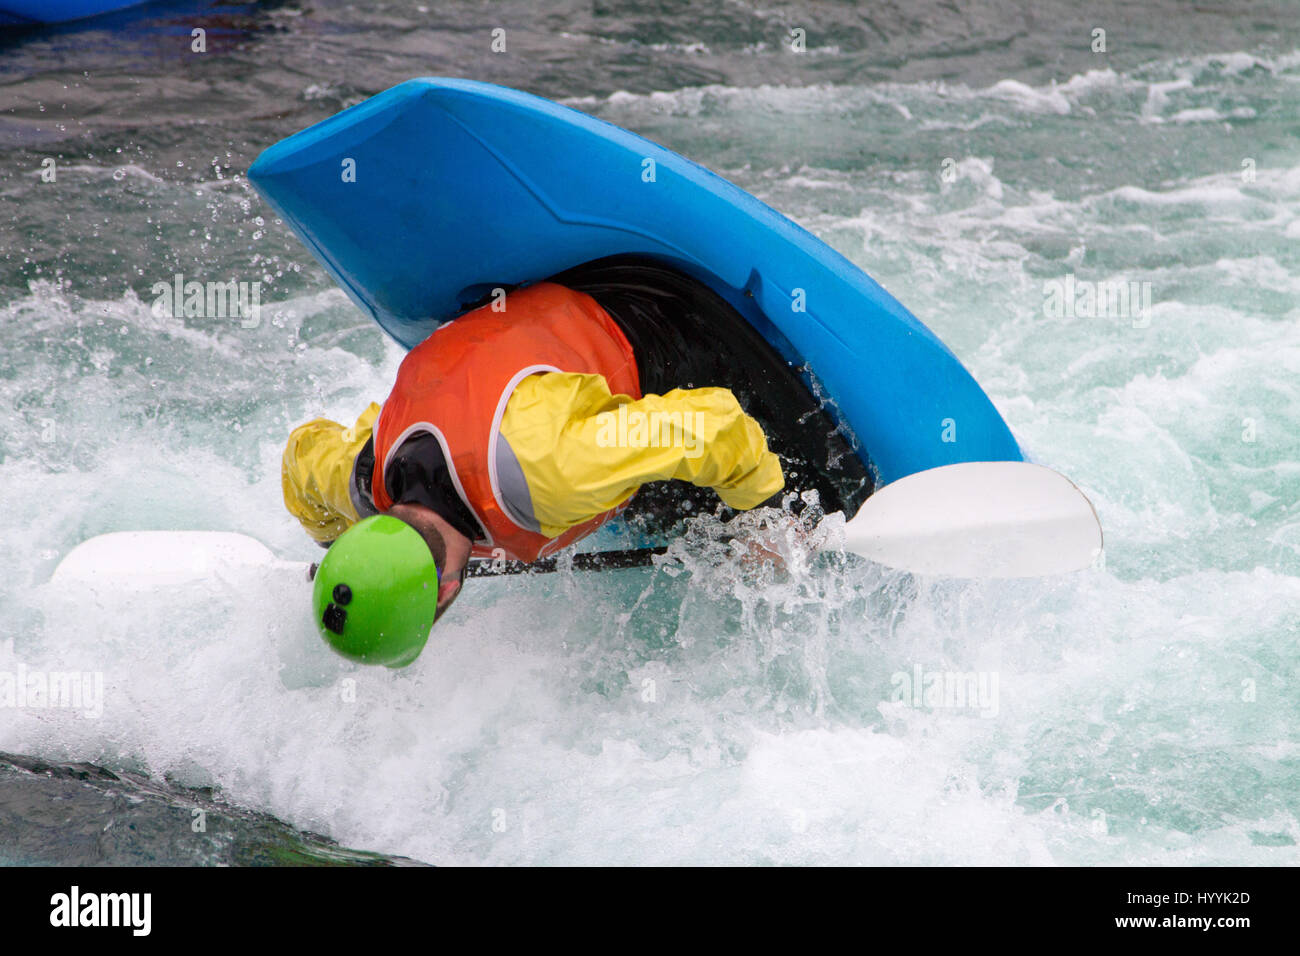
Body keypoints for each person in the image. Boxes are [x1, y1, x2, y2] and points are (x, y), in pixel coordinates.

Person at [282, 256, 871, 667]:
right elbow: (299, 459)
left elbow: (717, 426)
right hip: (532, 318)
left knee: (824, 502)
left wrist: (766, 523)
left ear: (443, 595)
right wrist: (337, 539)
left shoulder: (547, 477)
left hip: (670, 317)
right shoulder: (363, 478)